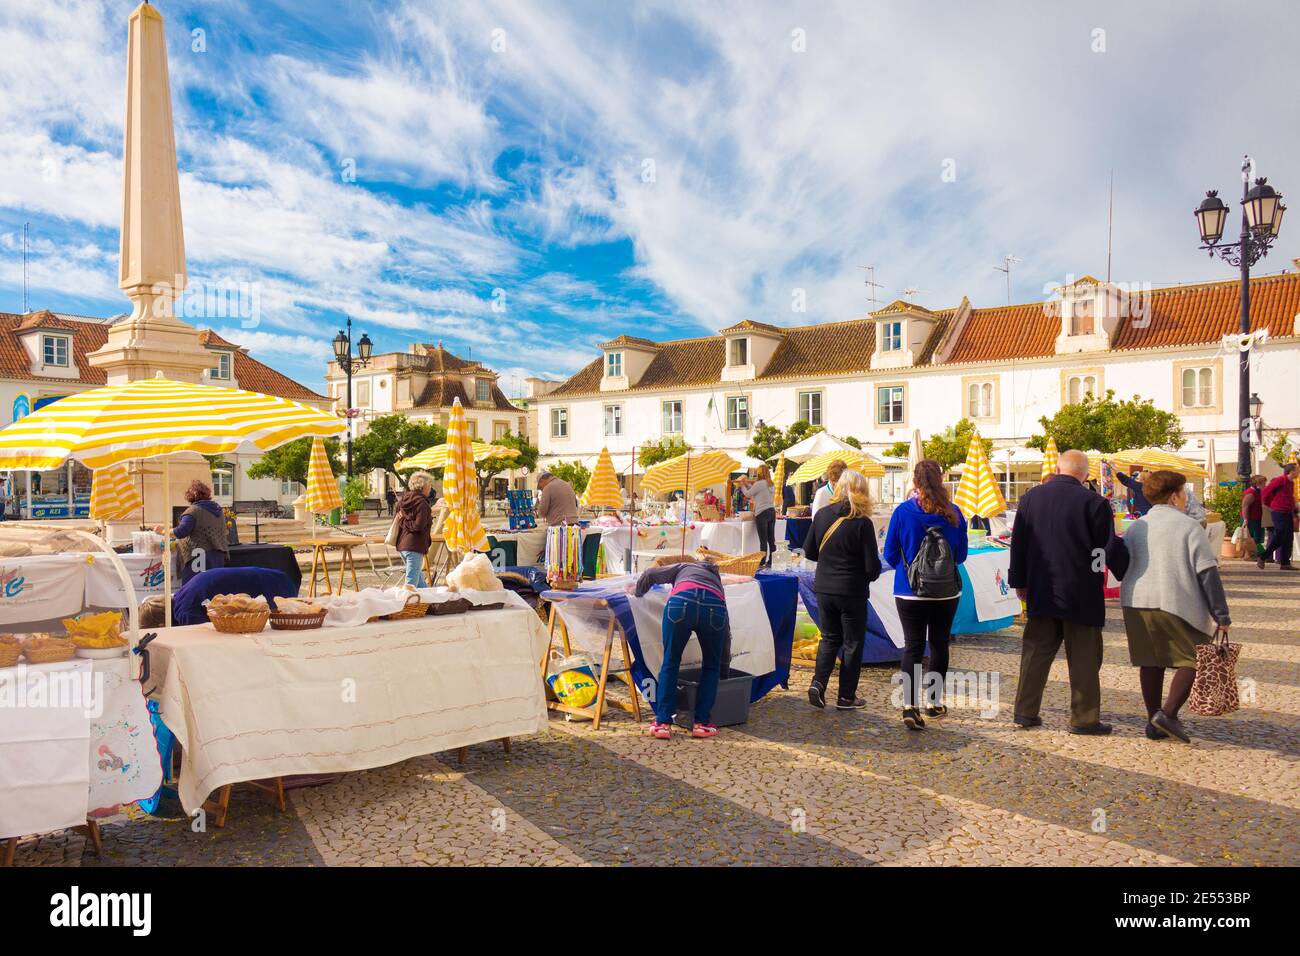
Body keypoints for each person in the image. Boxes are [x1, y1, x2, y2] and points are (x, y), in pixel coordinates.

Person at [1009, 449, 1126, 735]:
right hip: (1081, 592)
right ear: (1085, 474)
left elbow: (1019, 544)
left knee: (1035, 652)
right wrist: (1123, 565)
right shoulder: (1095, 503)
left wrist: (1019, 582)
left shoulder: (1030, 499)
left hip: (1041, 588)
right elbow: (1105, 548)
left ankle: (1025, 711)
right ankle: (1084, 719)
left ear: (1058, 469)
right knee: (1084, 656)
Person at [1121, 471, 1231, 742]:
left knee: (1151, 661)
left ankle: (1153, 721)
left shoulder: (1137, 526)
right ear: (1174, 496)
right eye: (1184, 493)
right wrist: (1221, 614)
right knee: (1196, 657)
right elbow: (1207, 573)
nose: (1185, 499)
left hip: (1136, 601)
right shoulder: (1189, 526)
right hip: (1175, 601)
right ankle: (1167, 714)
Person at [883, 459, 968, 729]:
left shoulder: (903, 512)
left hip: (909, 592)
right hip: (945, 593)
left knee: (913, 646)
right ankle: (934, 702)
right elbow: (962, 556)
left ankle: (909, 706)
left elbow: (889, 553)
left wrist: (909, 569)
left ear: (915, 482)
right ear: (941, 480)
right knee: (940, 644)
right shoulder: (954, 512)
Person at [802, 470, 881, 711]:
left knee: (829, 637)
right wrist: (872, 571)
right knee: (852, 642)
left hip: (825, 587)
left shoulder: (823, 514)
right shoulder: (862, 522)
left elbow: (809, 551)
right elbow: (871, 567)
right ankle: (846, 696)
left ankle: (818, 683)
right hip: (852, 590)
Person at [633, 557, 730, 739]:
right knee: (711, 666)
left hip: (680, 602)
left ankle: (663, 723)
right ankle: (701, 724)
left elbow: (650, 574)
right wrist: (723, 668)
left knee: (670, 661)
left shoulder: (685, 566)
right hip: (713, 606)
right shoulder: (717, 582)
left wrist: (638, 593)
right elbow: (726, 632)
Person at [154, 479, 228, 585]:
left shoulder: (194, 510)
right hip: (217, 556)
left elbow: (181, 531)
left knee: (195, 589)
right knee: (212, 589)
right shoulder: (218, 510)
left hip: (199, 558)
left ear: (191, 495)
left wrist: (163, 531)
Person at [394, 471, 434, 587]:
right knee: (411, 583)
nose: (430, 488)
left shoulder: (402, 501)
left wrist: (403, 521)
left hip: (403, 545)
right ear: (423, 487)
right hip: (414, 546)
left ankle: (427, 604)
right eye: (429, 485)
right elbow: (418, 526)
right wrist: (405, 521)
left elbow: (398, 520)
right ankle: (407, 603)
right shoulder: (423, 504)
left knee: (420, 581)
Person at [1261, 463, 1298, 571]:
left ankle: (1285, 563)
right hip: (1279, 511)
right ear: (1291, 471)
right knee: (1280, 535)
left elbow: (1288, 496)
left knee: (1288, 538)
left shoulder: (1291, 483)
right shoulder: (1280, 480)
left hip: (1288, 512)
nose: (1298, 472)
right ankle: (1263, 556)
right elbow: (1266, 492)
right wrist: (1269, 504)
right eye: (1297, 470)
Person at [738, 465, 776, 566]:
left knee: (763, 540)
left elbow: (748, 494)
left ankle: (762, 561)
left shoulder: (759, 484)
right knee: (771, 539)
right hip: (772, 512)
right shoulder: (771, 484)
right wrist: (746, 484)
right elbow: (756, 491)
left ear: (759, 473)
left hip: (762, 513)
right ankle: (772, 560)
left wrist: (742, 485)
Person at [1241, 474, 1268, 568]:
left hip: (1256, 518)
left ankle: (1249, 554)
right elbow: (1245, 507)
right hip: (1251, 519)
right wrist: (1245, 520)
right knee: (1252, 537)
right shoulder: (1251, 493)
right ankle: (1248, 555)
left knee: (1254, 537)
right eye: (1264, 483)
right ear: (1258, 483)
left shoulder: (1257, 492)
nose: (1265, 484)